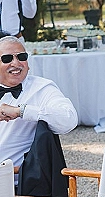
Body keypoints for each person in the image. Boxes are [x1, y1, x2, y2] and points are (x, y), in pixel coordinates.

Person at [0, 36, 78, 174]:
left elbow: (69, 119)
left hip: (18, 181)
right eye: (7, 59)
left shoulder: (42, 88)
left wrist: (22, 111)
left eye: (21, 57)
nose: (16, 63)